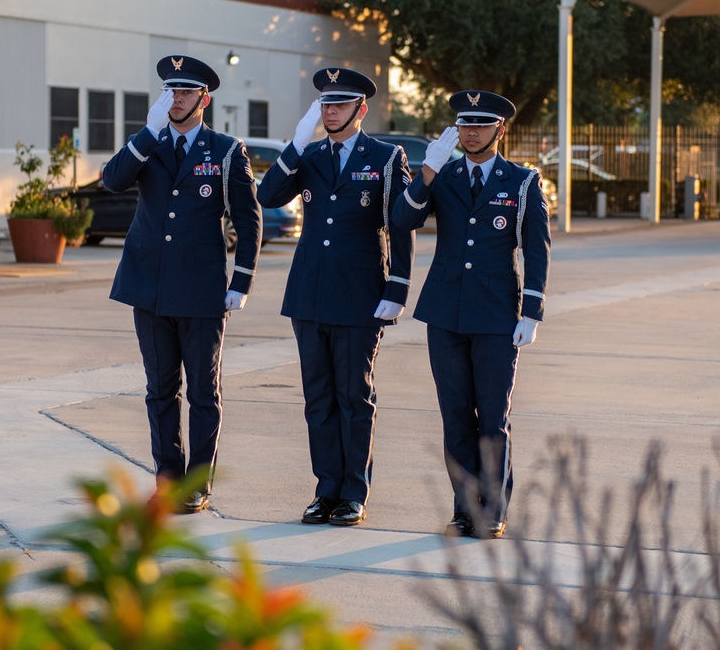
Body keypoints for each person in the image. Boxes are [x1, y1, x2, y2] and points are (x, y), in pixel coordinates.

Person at [102, 55, 262, 513]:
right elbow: (113, 180)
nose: (176, 99)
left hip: (201, 290)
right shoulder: (148, 143)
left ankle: (198, 483)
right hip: (148, 287)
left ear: (204, 99)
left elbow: (249, 221)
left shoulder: (227, 149)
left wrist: (242, 280)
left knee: (202, 392)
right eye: (171, 91)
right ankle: (167, 479)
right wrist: (146, 134)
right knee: (159, 390)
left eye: (186, 92)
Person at [257, 68, 414, 527]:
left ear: (360, 110)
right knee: (318, 397)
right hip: (309, 292)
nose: (330, 111)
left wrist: (397, 287)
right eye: (326, 104)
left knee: (353, 395)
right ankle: (325, 489)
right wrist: (294, 144)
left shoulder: (385, 157)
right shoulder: (306, 155)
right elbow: (268, 195)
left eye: (340, 104)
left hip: (361, 294)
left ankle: (353, 493)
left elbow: (400, 223)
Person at [392, 91, 551, 539]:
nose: (471, 132)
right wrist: (426, 172)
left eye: (481, 125)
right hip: (445, 313)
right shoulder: (441, 175)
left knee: (493, 418)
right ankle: (464, 506)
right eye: (465, 124)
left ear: (500, 130)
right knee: (456, 415)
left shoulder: (521, 181)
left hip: (498, 315)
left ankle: (494, 508)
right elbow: (402, 221)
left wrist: (532, 312)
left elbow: (536, 250)